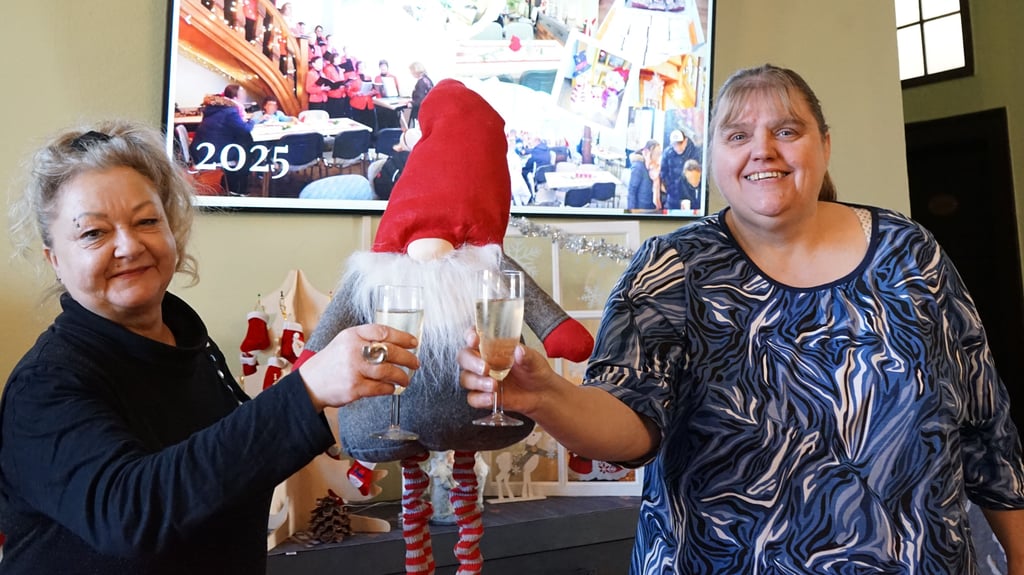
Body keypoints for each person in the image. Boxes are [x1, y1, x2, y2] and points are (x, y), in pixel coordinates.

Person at [457, 63, 1024, 574]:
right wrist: (547, 396)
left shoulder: (909, 251)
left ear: (824, 146)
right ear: (714, 159)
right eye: (738, 135)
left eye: (786, 130)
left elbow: (985, 423)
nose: (763, 150)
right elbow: (629, 426)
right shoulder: (672, 266)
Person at [0, 119, 421, 574]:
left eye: (146, 221)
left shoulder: (188, 346)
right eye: (93, 233)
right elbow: (133, 516)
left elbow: (225, 471)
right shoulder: (45, 385)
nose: (128, 246)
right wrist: (306, 390)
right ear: (55, 260)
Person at [190, 84, 254, 195]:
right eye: (242, 94)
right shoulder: (230, 111)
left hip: (201, 150)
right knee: (247, 151)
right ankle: (238, 188)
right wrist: (253, 121)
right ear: (235, 96)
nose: (245, 96)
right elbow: (245, 130)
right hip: (211, 152)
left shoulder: (215, 109)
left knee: (242, 147)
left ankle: (230, 183)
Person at [659, 128, 702, 210]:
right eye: (674, 144)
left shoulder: (695, 152)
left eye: (680, 143)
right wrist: (668, 189)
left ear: (685, 141)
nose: (677, 147)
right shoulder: (667, 154)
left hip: (691, 198)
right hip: (672, 197)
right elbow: (663, 173)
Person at [626, 139, 661, 210]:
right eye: (656, 154)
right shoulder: (638, 166)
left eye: (659, 154)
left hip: (652, 207)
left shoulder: (655, 167)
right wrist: (631, 213)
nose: (658, 157)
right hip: (641, 207)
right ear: (648, 152)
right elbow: (632, 191)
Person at [408, 61, 433, 127]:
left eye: (411, 71)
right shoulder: (427, 80)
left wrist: (411, 103)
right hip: (429, 112)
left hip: (421, 113)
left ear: (415, 70)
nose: (411, 73)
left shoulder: (421, 82)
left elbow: (420, 100)